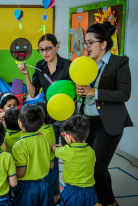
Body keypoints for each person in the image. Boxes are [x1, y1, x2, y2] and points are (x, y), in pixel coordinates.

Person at [76, 21, 133, 206]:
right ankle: (111, 203)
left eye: (90, 42)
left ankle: (104, 203)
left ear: (103, 44)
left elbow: (124, 94)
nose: (87, 47)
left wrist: (94, 92)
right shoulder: (86, 64)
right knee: (98, 166)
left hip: (108, 123)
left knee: (97, 168)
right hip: (88, 122)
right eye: (85, 43)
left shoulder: (119, 62)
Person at [18, 34, 72, 146]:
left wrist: (62, 86)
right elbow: (33, 94)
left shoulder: (68, 65)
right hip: (48, 114)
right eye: (41, 50)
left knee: (67, 148)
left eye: (48, 49)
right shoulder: (40, 66)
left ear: (56, 47)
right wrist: (26, 74)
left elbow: (76, 89)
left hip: (66, 112)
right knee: (49, 149)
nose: (44, 53)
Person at [50, 115, 98, 206]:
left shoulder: (66, 151)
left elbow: (54, 149)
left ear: (69, 137)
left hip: (72, 192)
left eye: (64, 134)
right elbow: (76, 155)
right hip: (90, 192)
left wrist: (45, 140)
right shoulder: (91, 151)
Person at [12, 104, 54, 206]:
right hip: (44, 185)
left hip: (26, 188)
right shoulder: (44, 139)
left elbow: (21, 172)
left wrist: (9, 174)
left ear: (21, 124)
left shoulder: (19, 145)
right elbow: (51, 165)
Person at [35, 102, 59, 205]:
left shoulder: (44, 131)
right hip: (49, 164)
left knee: (48, 191)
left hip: (48, 166)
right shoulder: (48, 127)